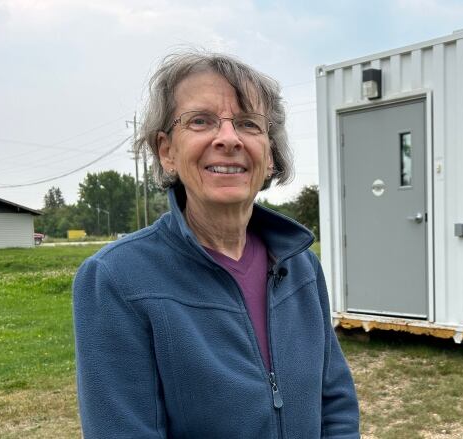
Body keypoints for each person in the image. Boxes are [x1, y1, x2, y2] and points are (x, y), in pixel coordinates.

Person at [72, 51, 360, 438]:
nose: (228, 138)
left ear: (270, 156)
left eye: (248, 124)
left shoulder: (301, 266)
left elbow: (335, 403)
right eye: (201, 121)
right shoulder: (116, 279)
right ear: (167, 151)